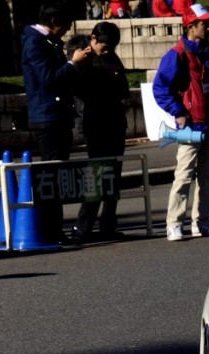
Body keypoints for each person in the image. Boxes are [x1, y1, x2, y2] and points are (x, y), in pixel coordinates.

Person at [22, 3, 91, 244]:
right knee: (51, 176)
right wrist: (73, 62)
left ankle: (54, 230)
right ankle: (50, 231)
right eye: (65, 23)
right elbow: (48, 79)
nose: (67, 29)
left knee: (57, 174)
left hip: (57, 114)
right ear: (52, 19)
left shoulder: (47, 41)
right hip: (47, 115)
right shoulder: (35, 42)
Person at [153, 3, 209, 241]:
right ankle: (174, 223)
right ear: (191, 26)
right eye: (205, 23)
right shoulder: (177, 54)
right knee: (183, 177)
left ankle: (201, 222)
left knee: (206, 179)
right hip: (191, 127)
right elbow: (160, 88)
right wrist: (178, 111)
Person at [72, 22, 130, 242]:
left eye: (110, 48)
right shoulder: (82, 58)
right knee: (96, 176)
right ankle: (82, 227)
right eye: (103, 48)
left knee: (113, 176)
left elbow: (123, 89)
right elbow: (78, 88)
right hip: (95, 123)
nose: (106, 52)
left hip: (115, 121)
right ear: (93, 38)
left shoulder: (112, 58)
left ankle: (108, 224)